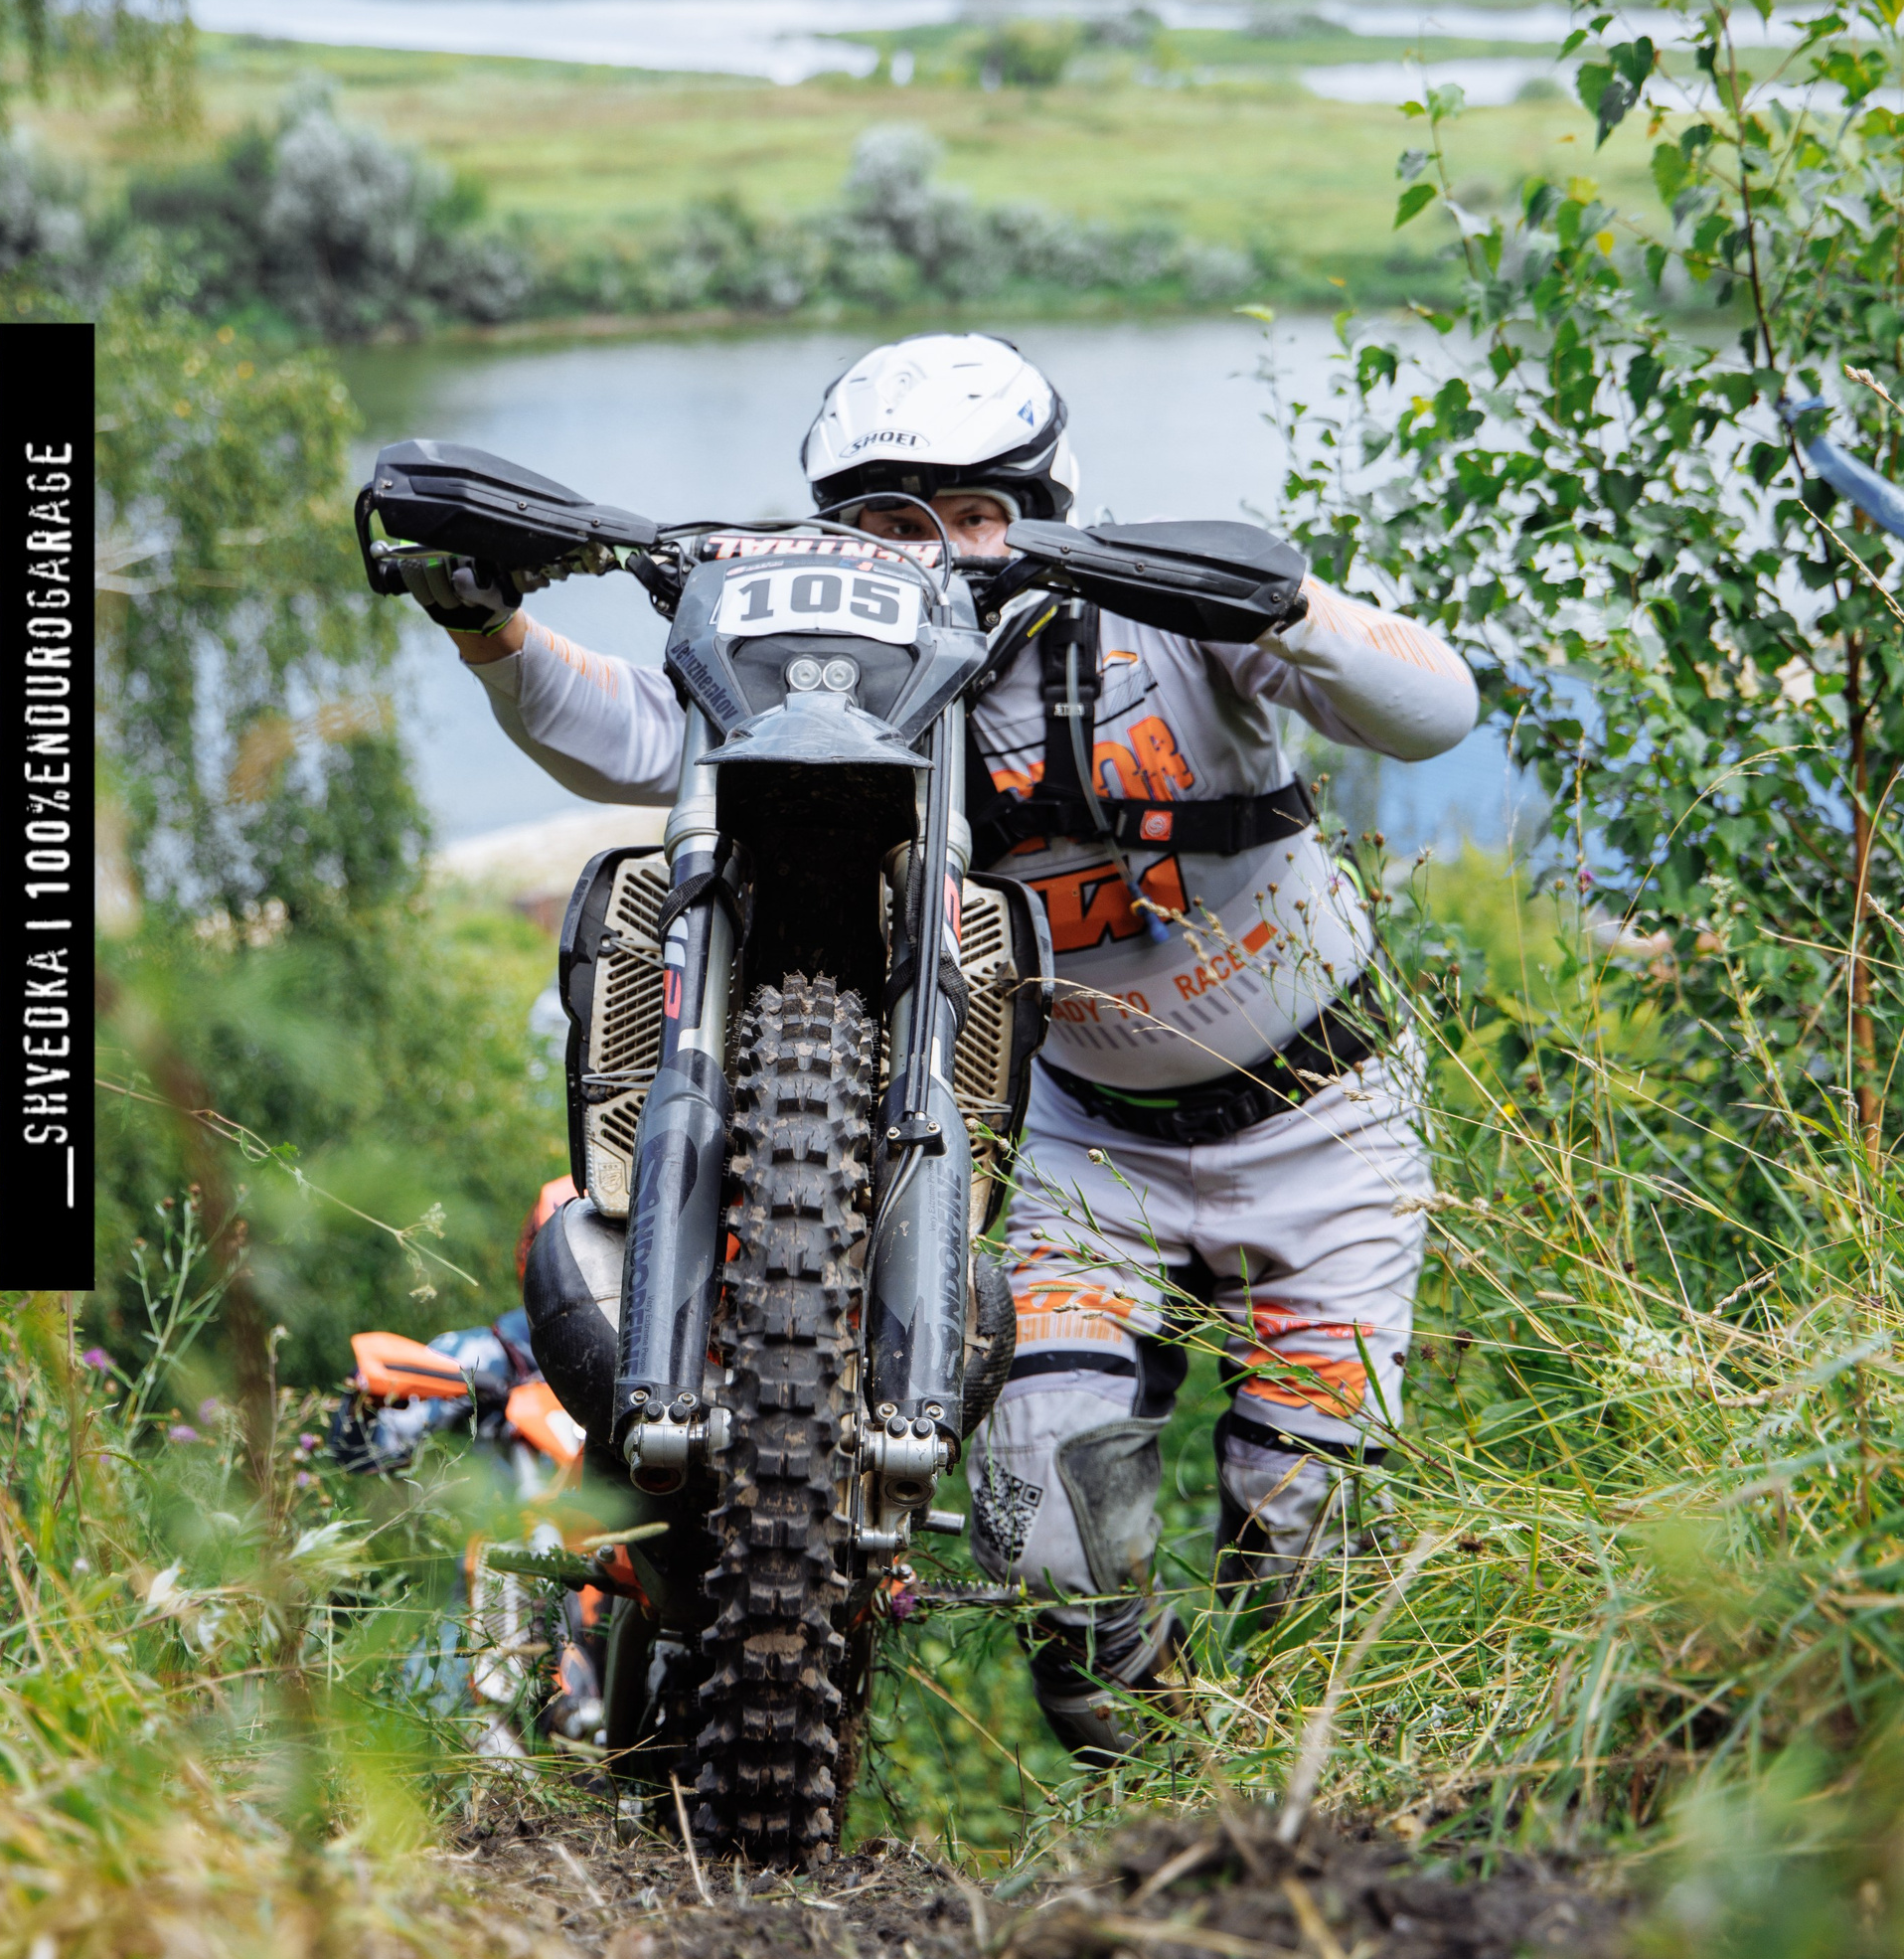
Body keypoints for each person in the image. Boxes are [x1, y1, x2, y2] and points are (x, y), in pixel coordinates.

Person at [397, 333, 1478, 1757]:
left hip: (1323, 1118)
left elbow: (1436, 709)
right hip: (1089, 1146)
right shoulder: (838, 673)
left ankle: (1303, 1794)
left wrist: (1294, 607)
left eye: (974, 514)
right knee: (1052, 1540)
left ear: (1047, 506)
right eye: (887, 520)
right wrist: (492, 632)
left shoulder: (1162, 613)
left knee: (1307, 1530)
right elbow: (640, 736)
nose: (937, 550)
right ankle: (1168, 1784)